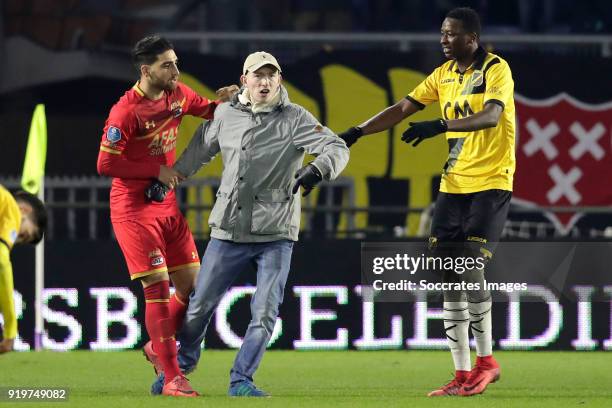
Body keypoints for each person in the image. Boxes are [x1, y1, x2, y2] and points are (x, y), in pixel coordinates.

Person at [149, 51, 349, 397]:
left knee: (265, 312)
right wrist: (170, 178)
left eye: (272, 75)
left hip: (276, 234)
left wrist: (318, 169)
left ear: (279, 81)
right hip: (228, 230)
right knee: (198, 305)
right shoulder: (225, 113)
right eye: (258, 75)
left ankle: (241, 380)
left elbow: (336, 146)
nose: (265, 81)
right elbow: (199, 150)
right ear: (245, 80)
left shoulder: (295, 118)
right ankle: (181, 368)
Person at [338, 7, 515, 397]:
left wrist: (441, 124)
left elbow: (490, 117)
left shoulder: (495, 69)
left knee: (469, 270)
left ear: (471, 38)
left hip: (490, 183)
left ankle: (487, 362)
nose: (443, 40)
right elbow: (402, 109)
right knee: (449, 277)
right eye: (441, 33)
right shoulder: (443, 75)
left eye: (451, 34)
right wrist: (357, 132)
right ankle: (462, 373)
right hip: (452, 187)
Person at [96, 35, 237, 397]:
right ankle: (174, 377)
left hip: (166, 205)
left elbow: (206, 109)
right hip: (134, 208)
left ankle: (155, 346)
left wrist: (222, 100)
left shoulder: (177, 94)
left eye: (176, 62)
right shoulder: (125, 111)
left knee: (194, 289)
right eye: (167, 65)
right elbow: (105, 163)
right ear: (146, 71)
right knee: (156, 288)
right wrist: (154, 170)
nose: (176, 70)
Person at [0, 186, 47, 354]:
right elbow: (1, 262)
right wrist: (11, 330)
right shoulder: (11, 210)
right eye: (22, 235)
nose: (14, 241)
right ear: (23, 210)